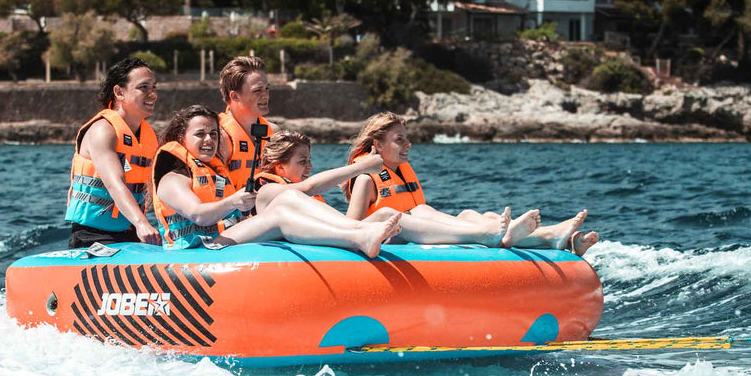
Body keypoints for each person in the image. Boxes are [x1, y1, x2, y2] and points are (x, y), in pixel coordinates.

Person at [152, 105, 401, 257]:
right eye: (200, 134)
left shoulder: (213, 172)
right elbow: (199, 216)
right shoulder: (172, 179)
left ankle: (361, 231)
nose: (209, 140)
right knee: (280, 215)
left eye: (214, 134)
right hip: (195, 253)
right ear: (181, 138)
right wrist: (233, 202)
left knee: (288, 197)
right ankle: (358, 237)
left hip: (218, 241)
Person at [343, 112, 600, 254]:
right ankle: (498, 235)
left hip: (415, 231)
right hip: (393, 240)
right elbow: (351, 229)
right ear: (377, 145)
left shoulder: (399, 172)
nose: (407, 145)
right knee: (420, 211)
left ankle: (555, 237)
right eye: (400, 140)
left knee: (470, 213)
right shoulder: (366, 179)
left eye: (407, 139)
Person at [260, 132, 515, 246]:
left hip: (343, 236)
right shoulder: (268, 192)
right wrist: (363, 168)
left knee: (425, 210)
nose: (309, 167)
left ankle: (495, 231)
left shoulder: (298, 196)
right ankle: (481, 235)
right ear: (278, 168)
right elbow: (309, 186)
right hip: (339, 243)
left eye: (310, 160)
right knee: (386, 215)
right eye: (302, 162)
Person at [64, 57, 161, 249]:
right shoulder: (103, 130)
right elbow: (114, 184)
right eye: (144, 88)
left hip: (131, 231)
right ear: (119, 92)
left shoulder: (147, 136)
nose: (152, 94)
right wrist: (142, 223)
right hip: (93, 236)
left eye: (154, 88)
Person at [216, 55, 274, 191]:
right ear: (235, 96)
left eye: (267, 88)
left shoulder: (273, 133)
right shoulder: (219, 136)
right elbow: (216, 187)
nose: (265, 95)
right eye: (257, 91)